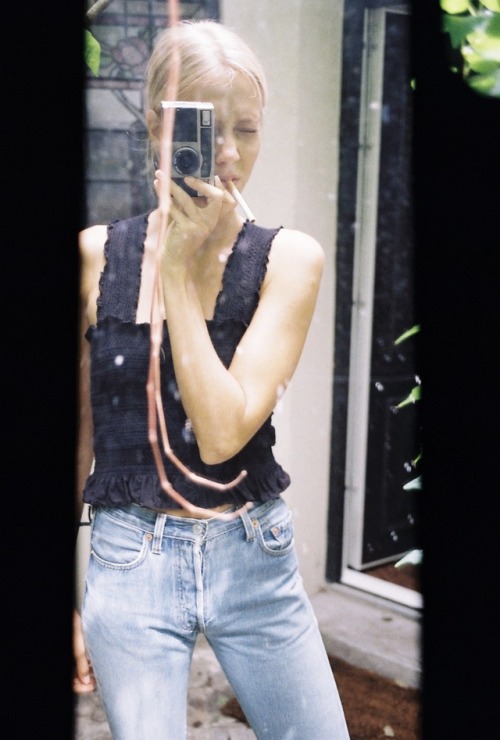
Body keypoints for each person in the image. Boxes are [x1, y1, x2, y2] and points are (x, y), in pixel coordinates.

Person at [74, 19, 350, 739]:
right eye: (205, 127)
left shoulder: (289, 260)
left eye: (247, 130)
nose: (227, 153)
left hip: (253, 556)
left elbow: (223, 434)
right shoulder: (95, 257)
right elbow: (78, 435)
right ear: (156, 128)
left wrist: (174, 268)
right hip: (128, 561)